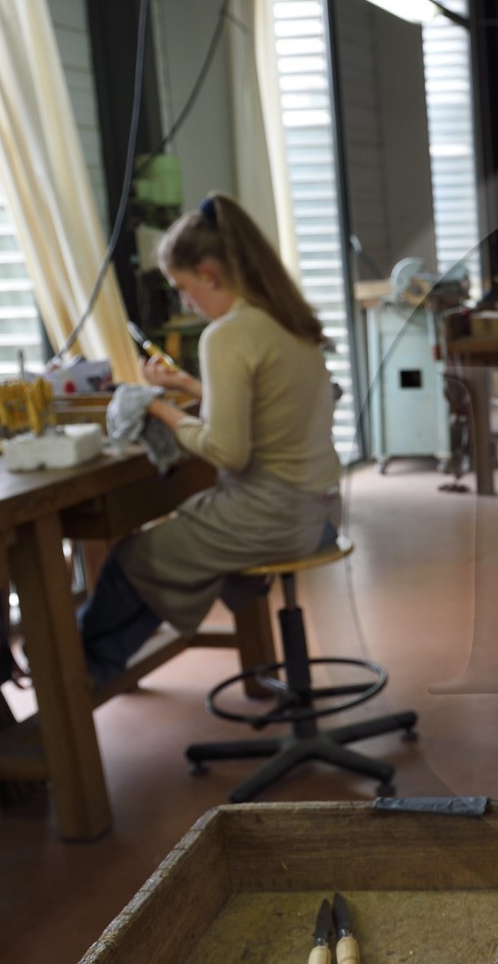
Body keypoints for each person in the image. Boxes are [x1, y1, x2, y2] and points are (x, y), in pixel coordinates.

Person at [77, 193, 342, 685]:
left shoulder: (227, 334)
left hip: (273, 517)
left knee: (130, 560)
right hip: (320, 511)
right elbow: (272, 407)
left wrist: (153, 404)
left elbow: (227, 450)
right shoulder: (288, 319)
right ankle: (99, 668)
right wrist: (191, 388)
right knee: (169, 553)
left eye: (183, 287)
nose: (185, 301)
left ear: (209, 273)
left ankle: (75, 681)